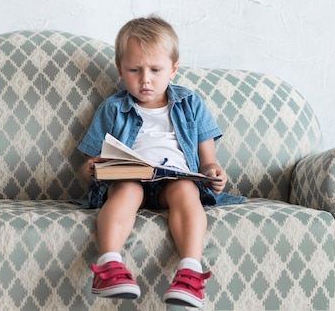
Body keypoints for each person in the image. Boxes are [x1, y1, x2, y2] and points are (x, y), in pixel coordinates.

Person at [78, 15, 244, 307]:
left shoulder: (190, 103)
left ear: (173, 70)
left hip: (175, 180)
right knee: (128, 188)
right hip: (130, 179)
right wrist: (92, 169)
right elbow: (88, 166)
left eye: (155, 70)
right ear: (119, 70)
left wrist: (213, 173)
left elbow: (208, 162)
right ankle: (109, 266)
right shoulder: (112, 108)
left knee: (185, 189)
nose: (145, 79)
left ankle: (190, 272)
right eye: (134, 70)